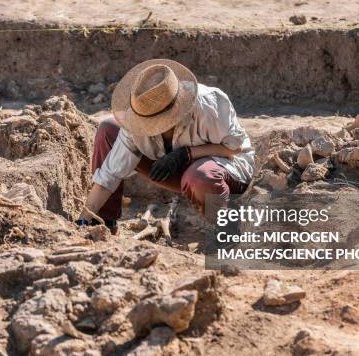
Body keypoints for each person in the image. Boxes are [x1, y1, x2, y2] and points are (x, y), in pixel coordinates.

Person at [76, 59, 255, 233]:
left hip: (226, 169)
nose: (149, 127)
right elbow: (109, 174)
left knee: (200, 176)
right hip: (175, 171)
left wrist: (186, 154)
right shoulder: (137, 120)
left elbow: (234, 148)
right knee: (109, 129)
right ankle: (102, 223)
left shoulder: (209, 104)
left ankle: (228, 229)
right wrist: (85, 217)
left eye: (156, 121)